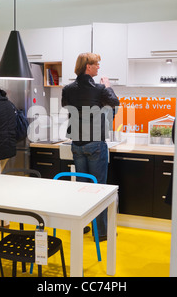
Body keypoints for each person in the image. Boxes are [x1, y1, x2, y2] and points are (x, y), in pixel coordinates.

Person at [61, 53, 120, 241]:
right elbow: (115, 103)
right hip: (95, 143)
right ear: (88, 67)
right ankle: (101, 232)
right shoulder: (100, 88)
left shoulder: (68, 89)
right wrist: (108, 86)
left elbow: (66, 105)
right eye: (96, 64)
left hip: (77, 144)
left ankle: (84, 226)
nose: (98, 67)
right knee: (99, 189)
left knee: (82, 188)